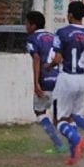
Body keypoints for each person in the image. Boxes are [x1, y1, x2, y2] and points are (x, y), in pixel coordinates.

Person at [47, 1, 84, 165]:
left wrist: (49, 66)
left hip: (66, 78)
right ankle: (74, 155)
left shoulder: (62, 32)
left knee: (59, 121)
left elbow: (57, 58)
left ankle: (77, 139)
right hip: (82, 80)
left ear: (70, 14)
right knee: (73, 116)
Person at [24, 10, 65, 154]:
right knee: (56, 113)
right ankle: (69, 142)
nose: (25, 26)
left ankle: (58, 143)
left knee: (39, 111)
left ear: (33, 25)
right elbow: (60, 56)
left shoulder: (32, 38)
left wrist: (36, 83)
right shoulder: (53, 36)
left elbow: (36, 59)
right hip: (59, 78)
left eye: (27, 23)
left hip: (45, 78)